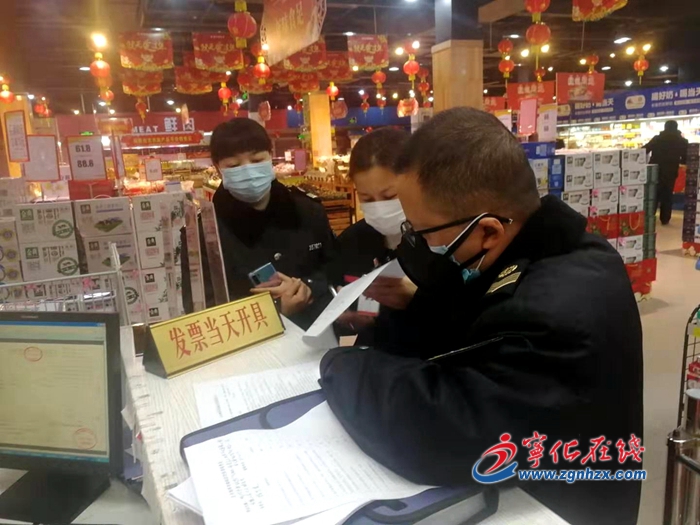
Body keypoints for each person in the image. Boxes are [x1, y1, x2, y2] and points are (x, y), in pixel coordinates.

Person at [320, 108, 643, 525]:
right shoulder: (531, 251)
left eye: (423, 232)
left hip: (555, 508)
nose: (417, 245)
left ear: (488, 230)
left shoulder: (554, 310)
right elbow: (455, 334)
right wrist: (416, 305)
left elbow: (443, 431)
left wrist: (341, 365)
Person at [182, 118, 335, 330]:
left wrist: (308, 288)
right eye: (234, 165)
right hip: (247, 342)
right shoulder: (203, 232)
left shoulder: (309, 211)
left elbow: (334, 269)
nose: (248, 171)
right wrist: (271, 310)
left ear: (270, 157)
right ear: (218, 168)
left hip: (316, 334)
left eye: (256, 160)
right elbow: (199, 304)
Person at [328, 128, 417, 343]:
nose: (380, 207)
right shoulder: (353, 241)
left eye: (390, 196)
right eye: (367, 199)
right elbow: (340, 293)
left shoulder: (440, 239)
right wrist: (351, 318)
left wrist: (418, 298)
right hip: (372, 351)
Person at [645, 120, 688, 225]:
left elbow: (644, 150)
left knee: (653, 194)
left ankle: (650, 217)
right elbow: (685, 159)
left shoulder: (657, 139)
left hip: (655, 171)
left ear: (665, 127)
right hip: (670, 171)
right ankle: (665, 219)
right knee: (667, 196)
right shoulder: (682, 141)